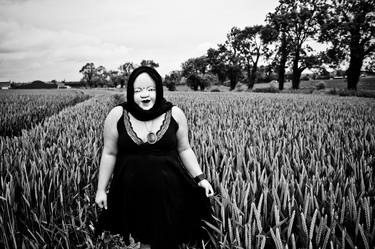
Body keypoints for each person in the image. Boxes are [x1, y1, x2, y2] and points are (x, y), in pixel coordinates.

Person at [95, 66, 215, 249]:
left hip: (169, 193)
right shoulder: (117, 115)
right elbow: (109, 153)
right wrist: (101, 189)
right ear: (130, 92)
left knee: (168, 240)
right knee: (143, 241)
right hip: (132, 194)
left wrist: (201, 178)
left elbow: (185, 149)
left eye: (151, 89)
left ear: (158, 90)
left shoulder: (175, 114)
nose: (145, 94)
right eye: (138, 90)